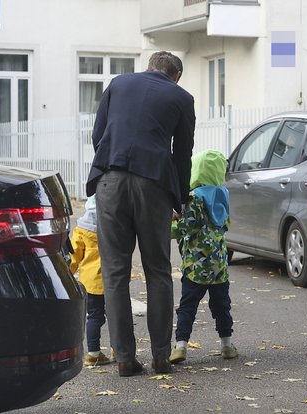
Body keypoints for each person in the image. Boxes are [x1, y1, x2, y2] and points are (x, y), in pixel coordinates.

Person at [86, 51, 195, 377]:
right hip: (154, 186)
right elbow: (183, 153)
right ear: (175, 75)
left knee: (115, 273)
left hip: (111, 181)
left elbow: (98, 135)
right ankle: (161, 356)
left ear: (150, 67)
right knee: (158, 271)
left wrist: (114, 169)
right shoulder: (181, 97)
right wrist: (181, 199)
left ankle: (124, 358)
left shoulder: (118, 85)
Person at [169, 149, 238, 364]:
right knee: (221, 306)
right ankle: (227, 345)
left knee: (188, 306)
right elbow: (225, 225)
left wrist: (170, 223)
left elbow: (183, 228)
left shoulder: (194, 198)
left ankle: (180, 346)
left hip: (195, 267)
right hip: (219, 267)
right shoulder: (222, 196)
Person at [69, 195, 114, 366]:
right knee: (116, 316)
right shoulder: (113, 226)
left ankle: (93, 353)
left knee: (94, 316)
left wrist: (68, 272)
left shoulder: (81, 229)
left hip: (90, 282)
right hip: (112, 280)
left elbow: (74, 255)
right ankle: (118, 348)